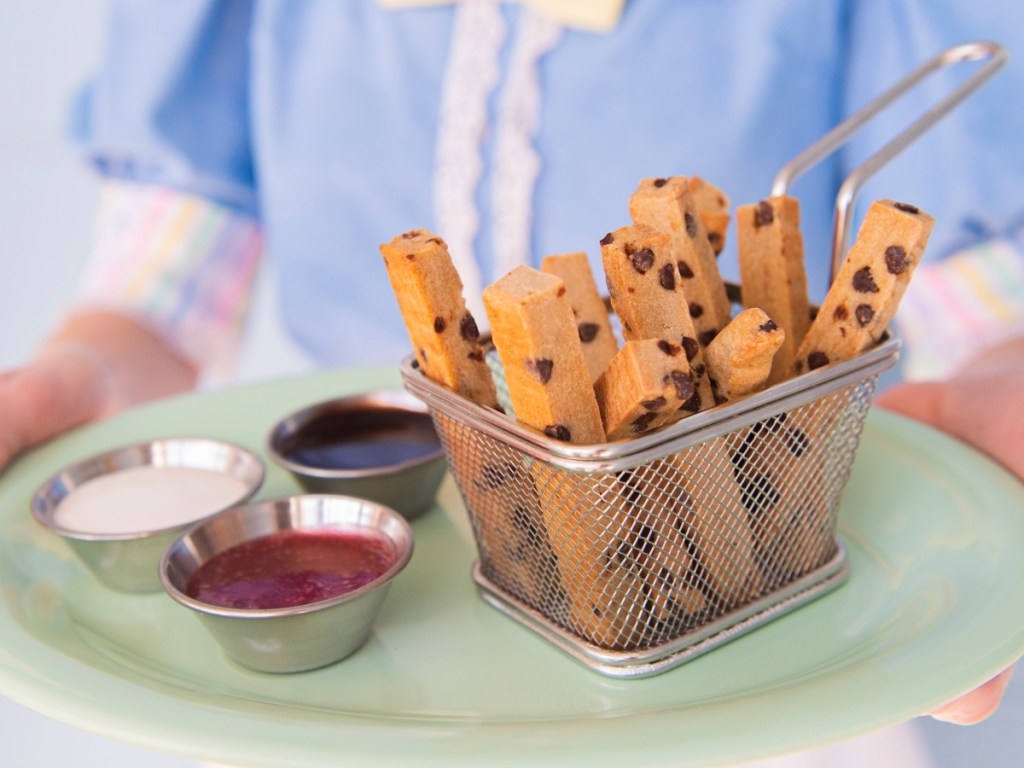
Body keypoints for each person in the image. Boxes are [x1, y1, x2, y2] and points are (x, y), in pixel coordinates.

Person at [0, 0, 1021, 759]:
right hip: (393, 641)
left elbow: (964, 272)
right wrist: (91, 363)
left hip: (748, 661)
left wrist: (1004, 369)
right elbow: (176, 241)